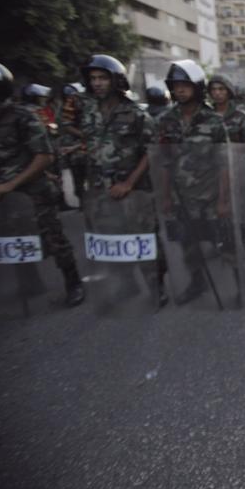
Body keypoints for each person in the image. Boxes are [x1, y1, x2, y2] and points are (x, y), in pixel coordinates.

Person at [0, 56, 84, 307]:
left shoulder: (22, 116)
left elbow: (44, 156)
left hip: (32, 192)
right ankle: (28, 282)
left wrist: (11, 184)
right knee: (9, 239)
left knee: (53, 238)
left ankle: (73, 283)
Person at [78, 54, 165, 305]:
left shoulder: (136, 114)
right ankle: (128, 285)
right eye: (93, 78)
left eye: (102, 78)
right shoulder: (89, 113)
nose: (97, 83)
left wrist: (129, 183)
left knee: (143, 240)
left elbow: (152, 152)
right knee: (112, 240)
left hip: (134, 191)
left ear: (116, 80)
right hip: (100, 191)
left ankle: (155, 287)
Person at [157, 59, 229, 303]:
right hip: (182, 197)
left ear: (196, 86)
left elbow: (224, 164)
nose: (180, 90)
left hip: (209, 196)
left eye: (185, 85)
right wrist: (166, 196)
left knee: (224, 242)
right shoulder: (166, 120)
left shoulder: (214, 121)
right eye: (175, 85)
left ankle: (240, 283)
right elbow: (164, 161)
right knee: (189, 244)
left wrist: (223, 200)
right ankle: (196, 282)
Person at [208, 74, 245, 143]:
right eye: (213, 89)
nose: (217, 93)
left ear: (229, 91)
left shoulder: (241, 117)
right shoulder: (205, 115)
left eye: (221, 89)